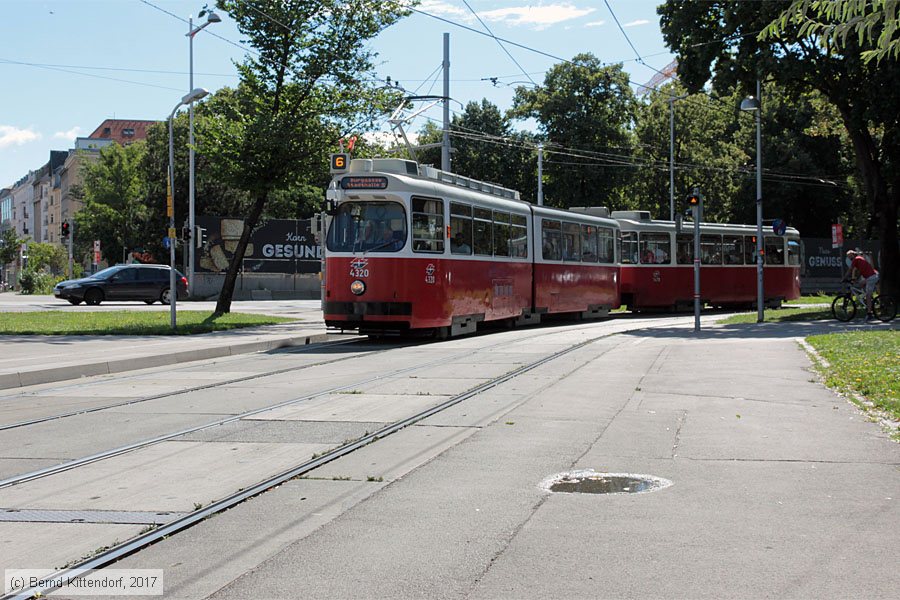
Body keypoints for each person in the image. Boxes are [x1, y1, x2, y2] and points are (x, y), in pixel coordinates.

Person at [845, 249, 879, 320]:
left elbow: (850, 270)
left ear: (852, 255)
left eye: (849, 256)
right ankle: (867, 301)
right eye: (848, 257)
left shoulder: (856, 259)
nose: (849, 258)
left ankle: (869, 313)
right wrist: (855, 279)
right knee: (861, 284)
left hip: (871, 277)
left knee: (868, 296)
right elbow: (859, 271)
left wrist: (844, 278)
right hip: (872, 276)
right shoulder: (860, 258)